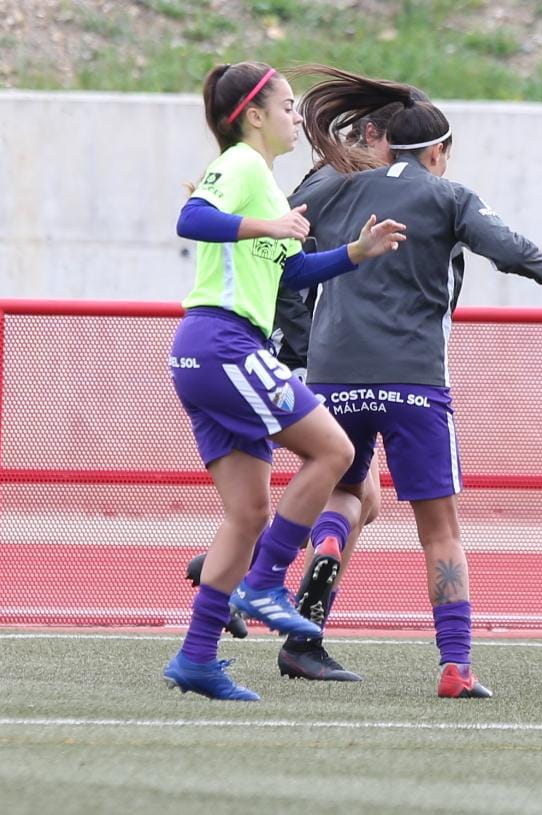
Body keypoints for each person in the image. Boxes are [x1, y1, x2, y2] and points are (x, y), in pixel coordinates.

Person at [279, 65, 542, 698]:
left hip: (335, 376)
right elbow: (506, 245)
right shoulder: (448, 195)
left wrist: (292, 349)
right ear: (436, 151)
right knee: (439, 528)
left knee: (348, 498)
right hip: (414, 380)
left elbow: (282, 252)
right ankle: (455, 665)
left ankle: (303, 627)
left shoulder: (334, 189)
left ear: (381, 141)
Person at [165, 61, 406, 701]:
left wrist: (355, 253)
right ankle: (266, 582)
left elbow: (291, 276)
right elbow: (191, 218)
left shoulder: (265, 184)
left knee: (246, 513)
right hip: (223, 341)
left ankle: (196, 657)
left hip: (209, 349)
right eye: (289, 106)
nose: (298, 116)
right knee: (334, 451)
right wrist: (270, 226)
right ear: (254, 115)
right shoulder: (242, 163)